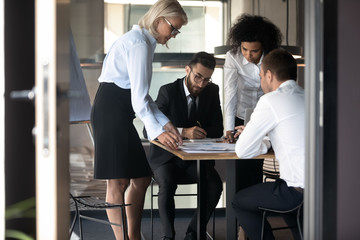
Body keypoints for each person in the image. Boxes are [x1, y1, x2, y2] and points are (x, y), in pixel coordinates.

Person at [90, 1, 187, 239]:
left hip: (117, 109)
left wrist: (165, 122)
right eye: (173, 29)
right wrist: (157, 132)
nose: (174, 35)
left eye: (178, 31)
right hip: (112, 111)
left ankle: (132, 236)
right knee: (118, 182)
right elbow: (139, 99)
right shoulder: (139, 45)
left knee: (141, 178)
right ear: (159, 21)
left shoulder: (143, 42)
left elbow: (141, 96)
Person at [146, 52, 223, 240]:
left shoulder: (212, 91)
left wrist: (201, 131)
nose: (201, 84)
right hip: (166, 158)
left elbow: (218, 128)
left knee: (214, 186)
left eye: (207, 79)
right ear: (187, 70)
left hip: (194, 160)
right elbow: (150, 129)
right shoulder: (167, 91)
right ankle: (168, 237)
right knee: (167, 184)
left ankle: (193, 233)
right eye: (198, 77)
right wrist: (183, 132)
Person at [231, 49, 304, 240]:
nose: (261, 80)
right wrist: (266, 140)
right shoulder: (309, 97)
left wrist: (254, 138)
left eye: (261, 75)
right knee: (291, 212)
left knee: (239, 201)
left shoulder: (270, 101)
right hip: (324, 187)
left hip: (296, 192)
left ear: (269, 75)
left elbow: (242, 150)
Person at [223, 14, 283, 191]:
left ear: (263, 47)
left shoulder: (273, 57)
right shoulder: (232, 57)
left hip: (265, 116)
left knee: (257, 163)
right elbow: (230, 92)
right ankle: (242, 206)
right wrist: (229, 127)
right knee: (241, 164)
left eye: (254, 51)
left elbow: (276, 92)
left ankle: (254, 204)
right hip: (241, 115)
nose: (248, 55)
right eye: (244, 49)